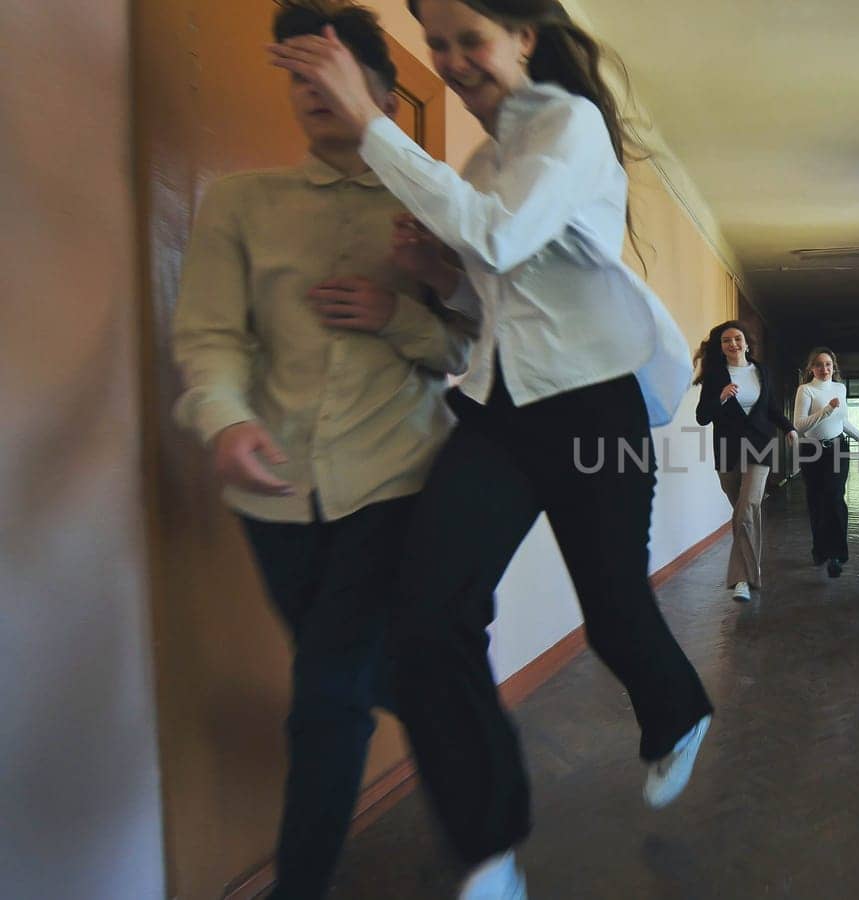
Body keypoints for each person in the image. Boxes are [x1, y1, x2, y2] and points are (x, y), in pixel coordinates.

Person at [269, 3, 715, 896]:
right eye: (436, 44)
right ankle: (491, 845)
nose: (451, 60)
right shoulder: (478, 161)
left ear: (524, 37)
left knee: (615, 612)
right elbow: (496, 309)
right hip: (500, 413)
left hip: (597, 406)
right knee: (428, 619)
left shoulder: (570, 125)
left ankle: (678, 711)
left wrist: (369, 123)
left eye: (468, 38)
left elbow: (500, 236)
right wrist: (442, 282)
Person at [173, 4, 475, 897]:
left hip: (398, 480)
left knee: (327, 695)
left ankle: (300, 883)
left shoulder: (432, 203)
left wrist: (401, 312)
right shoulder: (241, 202)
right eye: (296, 75)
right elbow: (212, 336)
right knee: (377, 674)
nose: (310, 92)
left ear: (381, 91)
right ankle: (459, 742)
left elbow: (468, 350)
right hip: (275, 499)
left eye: (330, 72)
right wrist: (225, 419)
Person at [693, 321, 797, 602]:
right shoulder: (715, 376)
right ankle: (752, 565)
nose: (733, 344)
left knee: (748, 506)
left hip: (760, 446)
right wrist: (722, 397)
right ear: (721, 347)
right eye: (726, 340)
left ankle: (742, 580)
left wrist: (789, 428)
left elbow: (772, 407)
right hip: (727, 449)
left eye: (737, 338)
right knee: (744, 513)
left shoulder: (760, 371)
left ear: (747, 343)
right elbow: (702, 416)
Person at [792, 347, 859, 577]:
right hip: (811, 451)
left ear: (833, 367)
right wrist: (826, 410)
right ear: (811, 369)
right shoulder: (805, 390)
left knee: (835, 497)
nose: (824, 369)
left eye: (828, 364)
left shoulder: (839, 388)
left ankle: (836, 554)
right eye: (818, 365)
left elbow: (843, 421)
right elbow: (799, 425)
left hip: (837, 448)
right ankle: (819, 548)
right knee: (816, 501)